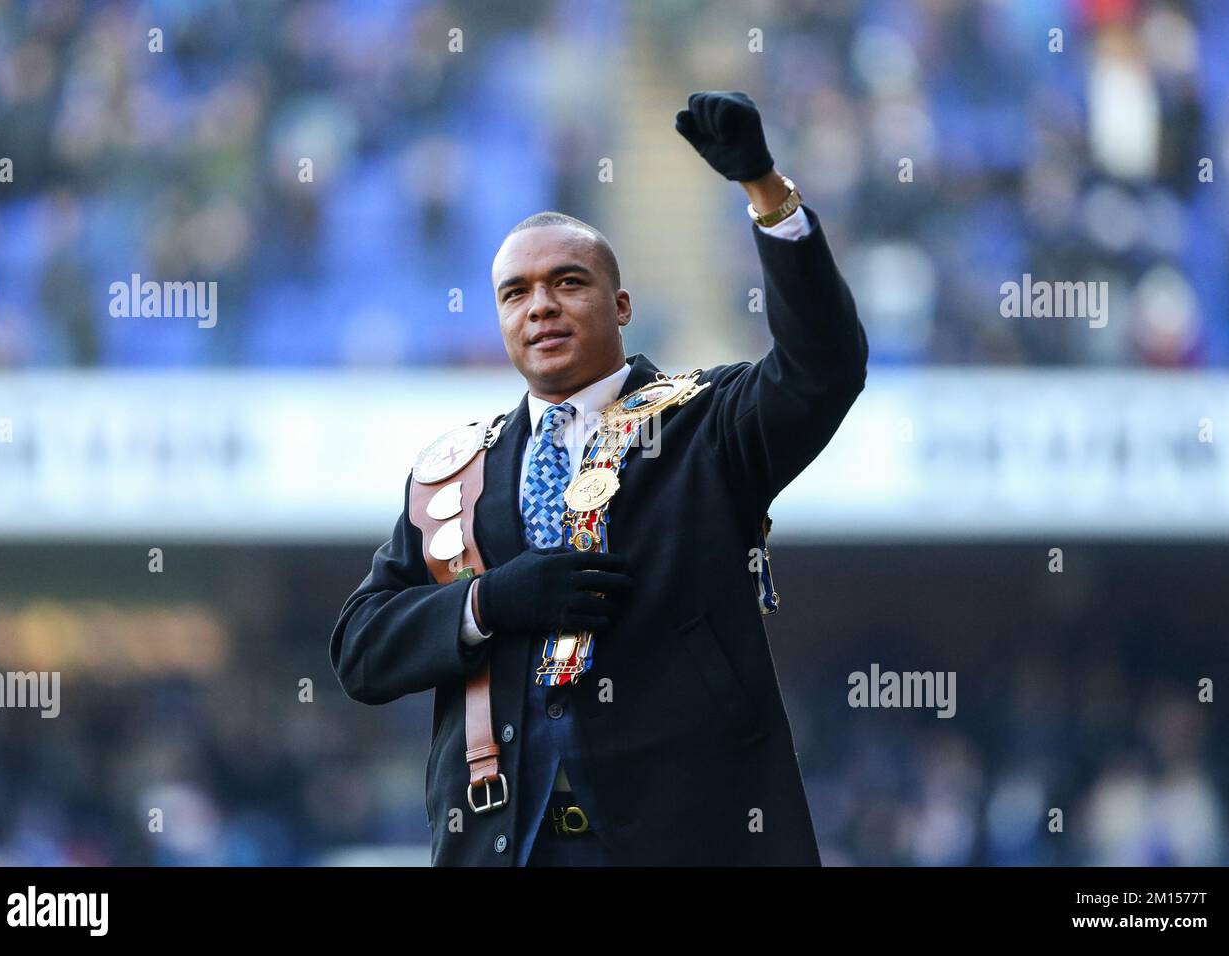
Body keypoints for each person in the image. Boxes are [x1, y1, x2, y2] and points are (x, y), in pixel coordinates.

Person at [329, 91, 868, 865]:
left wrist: (765, 192)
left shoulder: (704, 423)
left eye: (567, 282)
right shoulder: (456, 473)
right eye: (516, 293)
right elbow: (359, 651)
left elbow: (825, 369)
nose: (540, 306)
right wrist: (487, 602)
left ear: (620, 305)